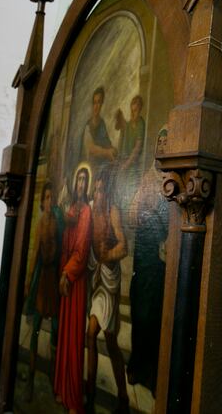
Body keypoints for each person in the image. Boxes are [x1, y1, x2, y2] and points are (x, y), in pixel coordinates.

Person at [126, 127, 169, 392]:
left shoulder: (173, 177)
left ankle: (151, 372)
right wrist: (144, 211)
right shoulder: (146, 178)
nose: (162, 145)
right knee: (139, 312)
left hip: (161, 260)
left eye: (166, 141)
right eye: (159, 140)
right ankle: (136, 367)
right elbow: (131, 215)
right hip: (143, 259)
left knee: (154, 317)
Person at [85, 170, 129, 413]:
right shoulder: (92, 211)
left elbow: (124, 245)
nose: (98, 194)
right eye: (97, 189)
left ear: (108, 191)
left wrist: (106, 256)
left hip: (110, 279)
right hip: (97, 279)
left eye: (102, 190)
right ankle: (90, 396)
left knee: (110, 341)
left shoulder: (113, 212)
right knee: (91, 334)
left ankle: (122, 397)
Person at [54, 166, 92, 414]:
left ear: (86, 184)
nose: (79, 183)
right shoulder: (71, 210)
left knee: (75, 337)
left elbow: (82, 247)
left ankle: (74, 399)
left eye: (83, 179)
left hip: (75, 280)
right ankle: (61, 389)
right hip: (64, 276)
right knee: (64, 334)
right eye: (77, 178)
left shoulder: (87, 211)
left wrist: (68, 274)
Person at [23, 182, 64, 401]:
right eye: (46, 198)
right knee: (36, 328)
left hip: (53, 279)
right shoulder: (40, 225)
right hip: (42, 280)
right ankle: (30, 376)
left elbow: (59, 248)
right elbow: (34, 256)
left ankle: (53, 378)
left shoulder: (57, 224)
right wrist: (29, 280)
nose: (49, 201)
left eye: (51, 197)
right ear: (42, 202)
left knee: (56, 329)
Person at [83, 87, 116, 170]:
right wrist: (107, 152)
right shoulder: (88, 125)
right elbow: (90, 148)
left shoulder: (102, 123)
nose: (96, 106)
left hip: (102, 165)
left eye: (99, 102)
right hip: (91, 167)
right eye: (94, 103)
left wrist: (112, 149)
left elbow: (106, 142)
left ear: (102, 104)